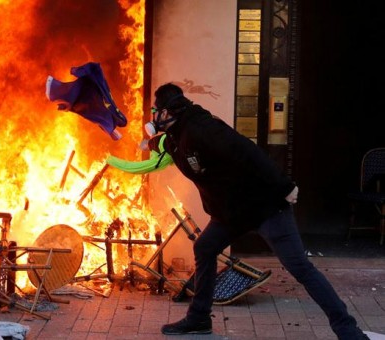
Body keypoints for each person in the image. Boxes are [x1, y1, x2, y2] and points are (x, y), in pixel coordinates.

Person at [148, 83, 369, 339]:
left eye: (156, 110)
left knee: (300, 267)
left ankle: (348, 331)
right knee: (205, 247)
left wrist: (285, 186)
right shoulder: (177, 135)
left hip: (265, 207)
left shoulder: (204, 128)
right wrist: (154, 145)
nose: (153, 115)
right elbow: (182, 154)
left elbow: (247, 151)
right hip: (232, 213)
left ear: (167, 112)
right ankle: (198, 319)